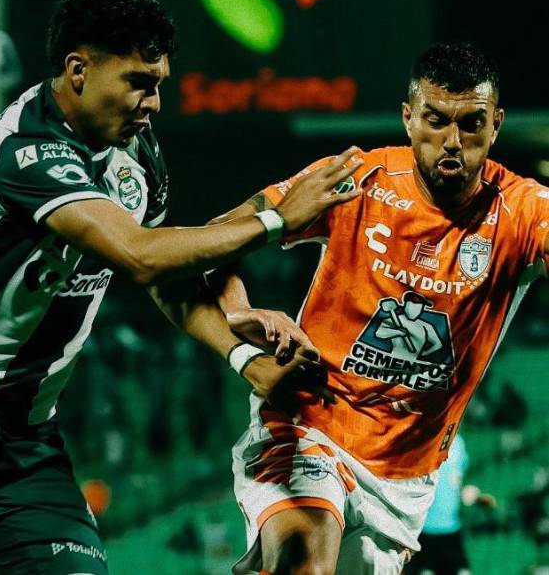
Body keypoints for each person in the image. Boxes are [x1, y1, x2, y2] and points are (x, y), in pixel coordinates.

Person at [0, 0, 360, 575]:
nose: (154, 103)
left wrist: (242, 355)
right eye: (139, 83)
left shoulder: (139, 158)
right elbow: (138, 254)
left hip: (25, 444)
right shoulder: (24, 148)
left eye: (159, 84)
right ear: (78, 70)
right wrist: (275, 220)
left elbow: (165, 277)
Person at [214, 40, 549, 574]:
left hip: (403, 479)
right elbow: (216, 237)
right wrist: (238, 310)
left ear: (496, 126)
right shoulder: (356, 180)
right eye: (435, 120)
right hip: (308, 426)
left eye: (471, 124)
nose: (453, 142)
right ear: (408, 118)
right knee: (305, 559)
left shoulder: (524, 212)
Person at [405, 434, 495, 575]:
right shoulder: (419, 440)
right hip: (423, 530)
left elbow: (460, 477)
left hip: (452, 529)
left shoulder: (458, 442)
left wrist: (472, 493)